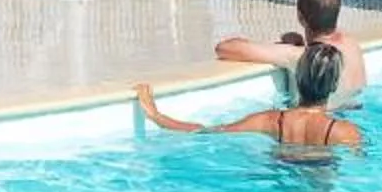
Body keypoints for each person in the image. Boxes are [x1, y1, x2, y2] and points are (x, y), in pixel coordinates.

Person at [135, 46, 364, 154]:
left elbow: (206, 131)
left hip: (279, 189)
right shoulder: (344, 132)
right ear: (334, 85)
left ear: (299, 77)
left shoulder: (271, 121)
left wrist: (157, 116)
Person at [215, 0, 368, 99]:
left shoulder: (298, 56)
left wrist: (290, 47)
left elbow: (224, 48)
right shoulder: (352, 45)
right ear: (336, 11)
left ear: (300, 17)